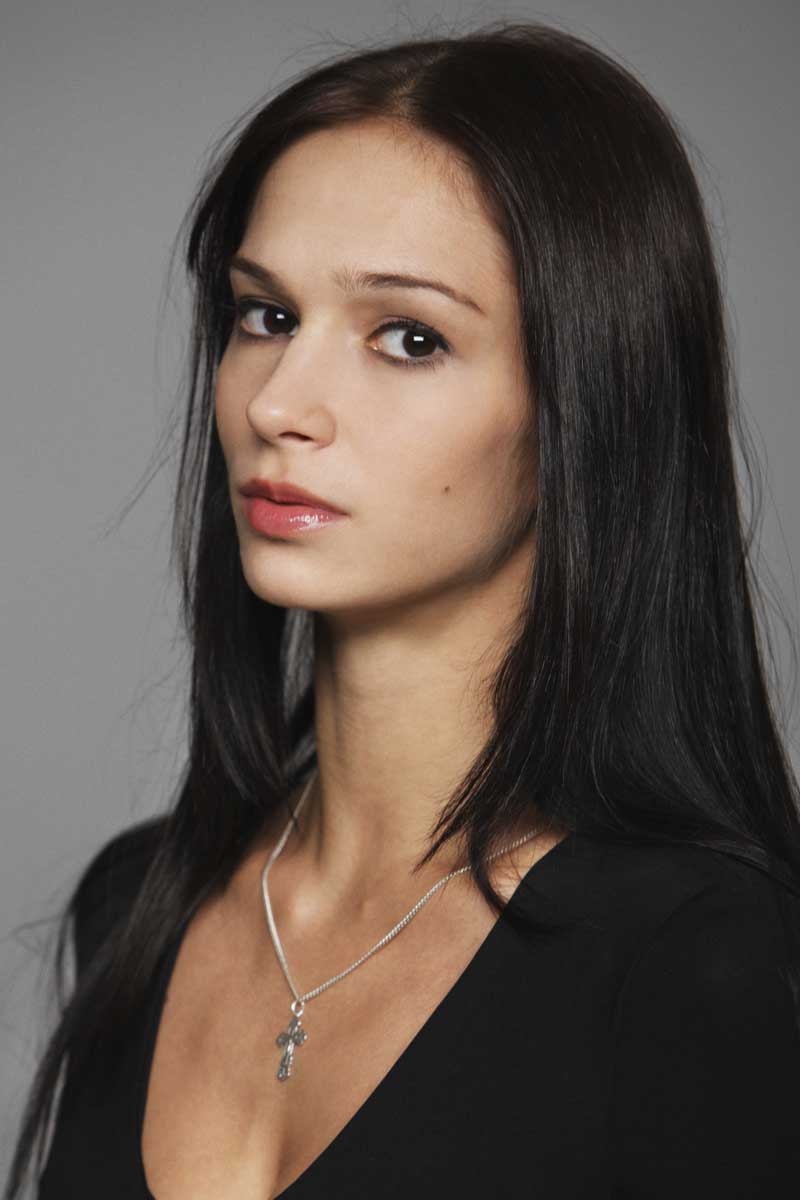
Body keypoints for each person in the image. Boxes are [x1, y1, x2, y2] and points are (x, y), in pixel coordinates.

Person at [7, 18, 800, 1200]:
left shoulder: (694, 964)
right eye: (265, 316)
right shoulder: (136, 907)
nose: (279, 404)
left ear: (587, 408)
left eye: (408, 338)